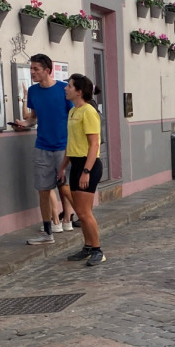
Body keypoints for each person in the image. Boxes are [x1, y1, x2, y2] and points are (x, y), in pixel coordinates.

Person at [16, 53, 75, 245]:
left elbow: (74, 116)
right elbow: (34, 117)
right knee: (43, 190)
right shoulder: (33, 92)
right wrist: (25, 123)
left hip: (63, 147)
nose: (32, 72)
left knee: (65, 189)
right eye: (31, 68)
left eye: (36, 69)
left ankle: (86, 221)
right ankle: (47, 232)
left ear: (47, 71)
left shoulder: (63, 90)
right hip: (42, 146)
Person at [62, 74, 107, 267]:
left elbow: (94, 143)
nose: (66, 88)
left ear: (79, 91)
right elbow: (71, 143)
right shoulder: (73, 111)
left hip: (88, 165)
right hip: (76, 164)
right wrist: (62, 166)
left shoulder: (89, 111)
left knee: (84, 211)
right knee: (80, 212)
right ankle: (88, 247)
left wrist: (86, 171)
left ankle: (98, 250)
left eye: (69, 86)